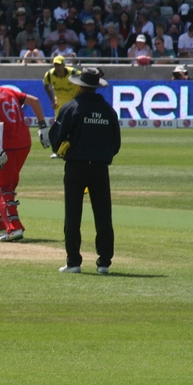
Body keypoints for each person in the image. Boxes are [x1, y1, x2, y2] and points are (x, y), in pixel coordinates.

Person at [48, 68, 120, 274]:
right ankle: (104, 263)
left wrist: (64, 148)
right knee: (103, 214)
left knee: (73, 214)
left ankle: (73, 262)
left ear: (80, 85)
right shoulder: (108, 110)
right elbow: (116, 144)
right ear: (96, 87)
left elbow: (56, 138)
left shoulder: (72, 107)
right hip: (100, 168)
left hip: (76, 167)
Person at [0, 67, 51, 242]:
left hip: (7, 145)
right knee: (6, 183)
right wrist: (42, 127)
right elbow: (35, 101)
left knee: (3, 188)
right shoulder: (8, 91)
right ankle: (0, 225)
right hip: (24, 143)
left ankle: (14, 229)